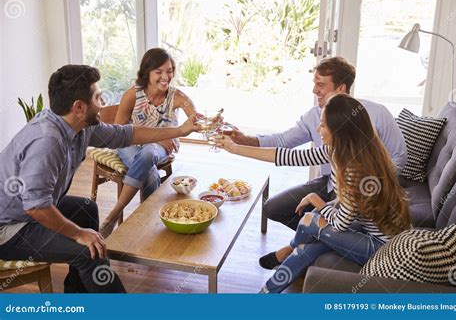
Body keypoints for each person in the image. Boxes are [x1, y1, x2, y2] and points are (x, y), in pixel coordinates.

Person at [0, 65, 200, 293]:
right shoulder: (48, 142)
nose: (103, 102)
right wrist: (78, 234)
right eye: (97, 97)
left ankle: (78, 295)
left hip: (26, 209)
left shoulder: (77, 125)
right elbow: (36, 207)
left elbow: (126, 134)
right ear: (79, 107)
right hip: (9, 227)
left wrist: (180, 130)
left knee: (86, 209)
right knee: (87, 251)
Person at [217, 94, 411, 293]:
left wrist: (315, 200)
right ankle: (265, 293)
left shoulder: (355, 168)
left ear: (340, 130)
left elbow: (341, 224)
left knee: (311, 219)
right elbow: (287, 156)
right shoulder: (337, 150)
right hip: (365, 229)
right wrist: (235, 149)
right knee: (307, 247)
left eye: (323, 126)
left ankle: (287, 253)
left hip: (382, 247)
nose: (319, 130)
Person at [224, 56, 407, 231]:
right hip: (329, 182)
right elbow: (285, 147)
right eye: (314, 83)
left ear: (341, 88)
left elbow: (399, 156)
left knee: (329, 220)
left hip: (360, 189)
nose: (314, 90)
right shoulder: (316, 118)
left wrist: (370, 185)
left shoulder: (378, 114)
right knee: (273, 208)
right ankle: (319, 236)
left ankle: (318, 238)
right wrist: (241, 142)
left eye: (320, 85)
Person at [99, 48, 198, 237]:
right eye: (158, 72)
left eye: (169, 71)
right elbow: (118, 131)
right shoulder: (132, 95)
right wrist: (142, 138)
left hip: (160, 146)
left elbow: (195, 118)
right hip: (130, 143)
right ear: (147, 73)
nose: (165, 77)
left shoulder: (178, 97)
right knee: (149, 172)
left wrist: (206, 122)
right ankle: (147, 224)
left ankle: (114, 215)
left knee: (148, 154)